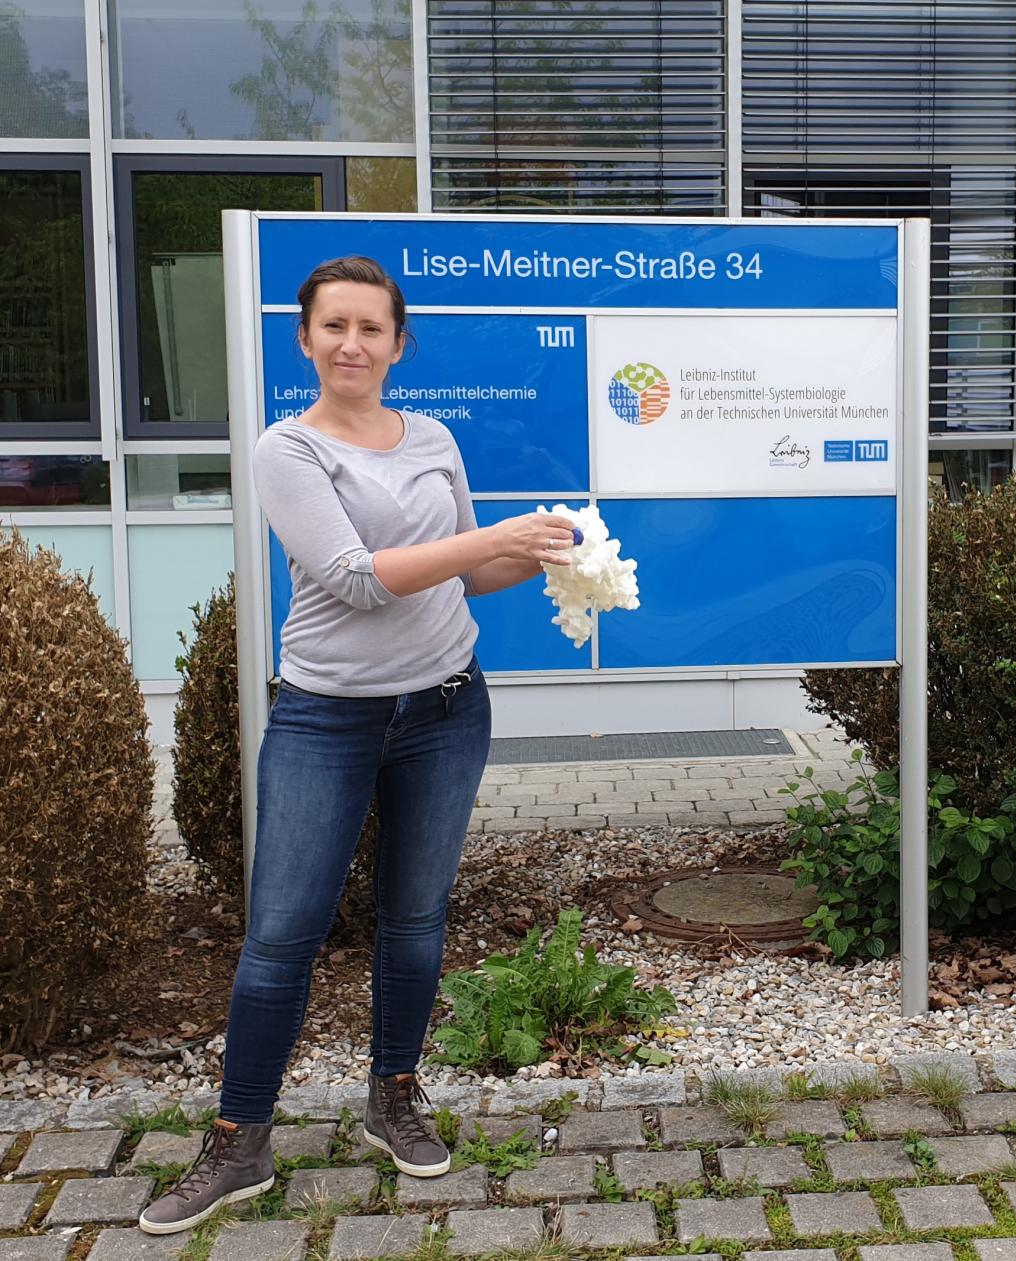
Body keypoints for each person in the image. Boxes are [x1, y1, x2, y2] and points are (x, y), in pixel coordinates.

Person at [141, 256, 581, 1233]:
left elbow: (465, 575)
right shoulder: (285, 449)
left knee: (415, 918)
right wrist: (489, 540)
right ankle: (239, 1138)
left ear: (397, 343)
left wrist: (553, 554)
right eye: (333, 326)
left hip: (446, 706)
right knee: (280, 937)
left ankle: (393, 1094)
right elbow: (355, 577)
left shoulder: (431, 436)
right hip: (326, 715)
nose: (352, 343)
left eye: (371, 328)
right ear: (305, 340)